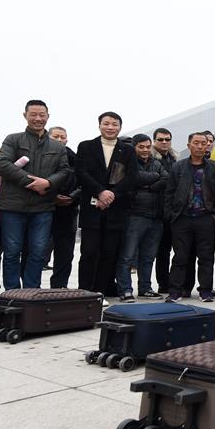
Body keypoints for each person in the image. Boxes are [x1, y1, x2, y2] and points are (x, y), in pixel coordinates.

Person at [0, 100, 71, 290]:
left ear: (48, 116)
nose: (38, 118)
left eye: (42, 115)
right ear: (25, 115)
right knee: (12, 252)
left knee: (38, 252)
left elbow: (65, 172)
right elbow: (1, 164)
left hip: (42, 207)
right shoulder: (13, 139)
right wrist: (31, 183)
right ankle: (12, 293)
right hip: (13, 206)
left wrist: (48, 183)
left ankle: (32, 292)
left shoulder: (58, 147)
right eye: (33, 114)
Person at [75, 112, 138, 297]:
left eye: (115, 124)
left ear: (120, 127)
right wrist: (100, 192)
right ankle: (85, 291)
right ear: (99, 125)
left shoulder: (127, 150)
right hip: (92, 207)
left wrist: (111, 196)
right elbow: (81, 172)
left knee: (110, 252)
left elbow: (131, 177)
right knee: (89, 251)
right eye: (106, 123)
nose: (110, 127)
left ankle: (101, 292)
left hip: (116, 209)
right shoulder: (86, 146)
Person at [164, 132, 215, 303]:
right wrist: (170, 215)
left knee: (206, 257)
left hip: (206, 218)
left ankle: (205, 291)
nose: (199, 146)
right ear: (189, 145)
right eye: (196, 143)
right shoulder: (178, 167)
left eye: (203, 143)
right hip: (182, 218)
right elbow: (169, 193)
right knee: (180, 257)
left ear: (208, 146)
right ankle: (175, 291)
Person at [115, 134, 168, 301]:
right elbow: (132, 178)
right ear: (134, 147)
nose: (145, 150)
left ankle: (145, 288)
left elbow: (167, 179)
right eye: (141, 147)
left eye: (147, 147)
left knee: (148, 256)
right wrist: (153, 179)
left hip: (155, 216)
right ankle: (125, 289)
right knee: (127, 256)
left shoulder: (157, 163)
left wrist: (148, 186)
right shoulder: (125, 162)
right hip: (134, 215)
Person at [46, 127, 81, 289]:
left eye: (63, 137)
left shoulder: (76, 158)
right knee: (37, 250)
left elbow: (84, 181)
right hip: (43, 208)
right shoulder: (40, 156)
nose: (60, 140)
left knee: (65, 253)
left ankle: (60, 286)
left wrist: (73, 197)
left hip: (69, 210)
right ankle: (30, 288)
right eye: (56, 136)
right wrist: (52, 197)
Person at [152, 127, 179, 294]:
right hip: (156, 212)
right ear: (154, 140)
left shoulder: (174, 160)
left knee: (173, 250)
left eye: (167, 139)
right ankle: (162, 283)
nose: (164, 142)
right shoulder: (151, 160)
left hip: (173, 212)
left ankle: (172, 282)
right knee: (160, 252)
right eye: (160, 139)